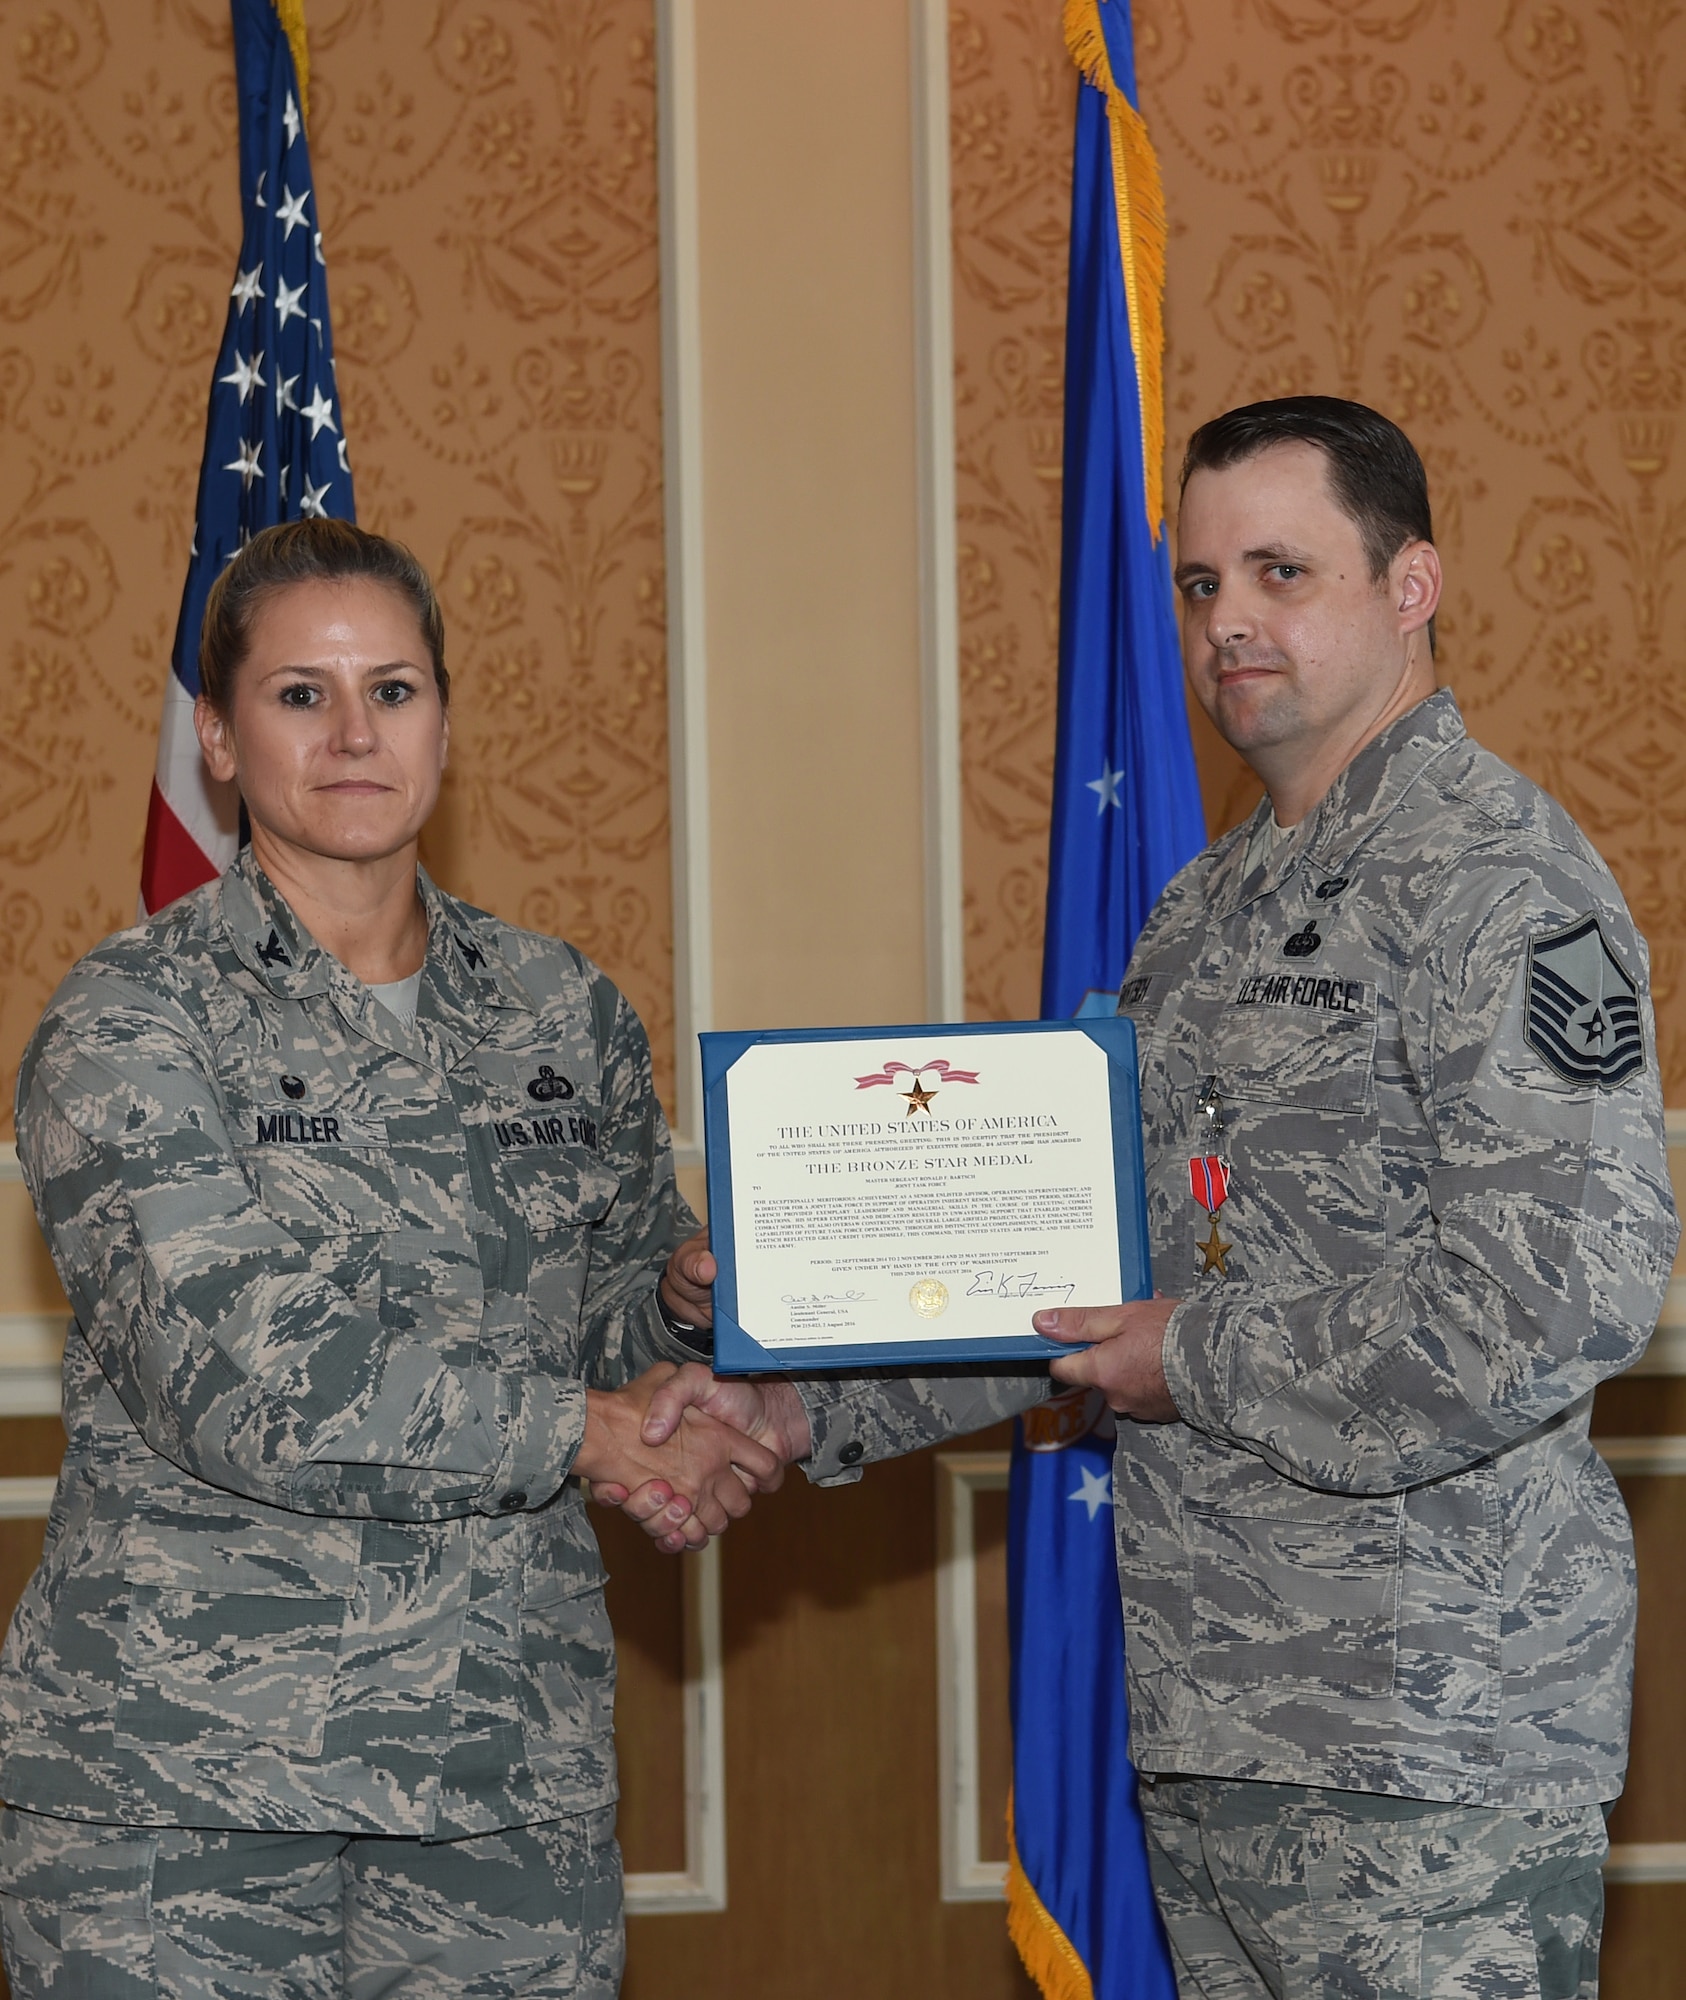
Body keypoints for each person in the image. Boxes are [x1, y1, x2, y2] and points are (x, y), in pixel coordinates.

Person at [624, 399, 1679, 1999]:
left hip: (1429, 1735)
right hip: (1219, 1713)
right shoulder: (1204, 914)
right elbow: (1085, 1273)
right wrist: (796, 1392)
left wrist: (1186, 1359)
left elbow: (1559, 1297)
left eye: (1280, 570)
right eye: (1198, 584)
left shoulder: (1498, 883)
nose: (1229, 621)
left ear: (1412, 587)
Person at [0, 518, 785, 1999]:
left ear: (444, 719)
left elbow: (602, 1317)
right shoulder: (131, 1022)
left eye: (396, 691)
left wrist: (679, 1312)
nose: (355, 734)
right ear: (217, 738)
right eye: (301, 695)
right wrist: (590, 1430)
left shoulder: (559, 1006)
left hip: (502, 1775)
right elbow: (237, 1374)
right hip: (192, 1793)